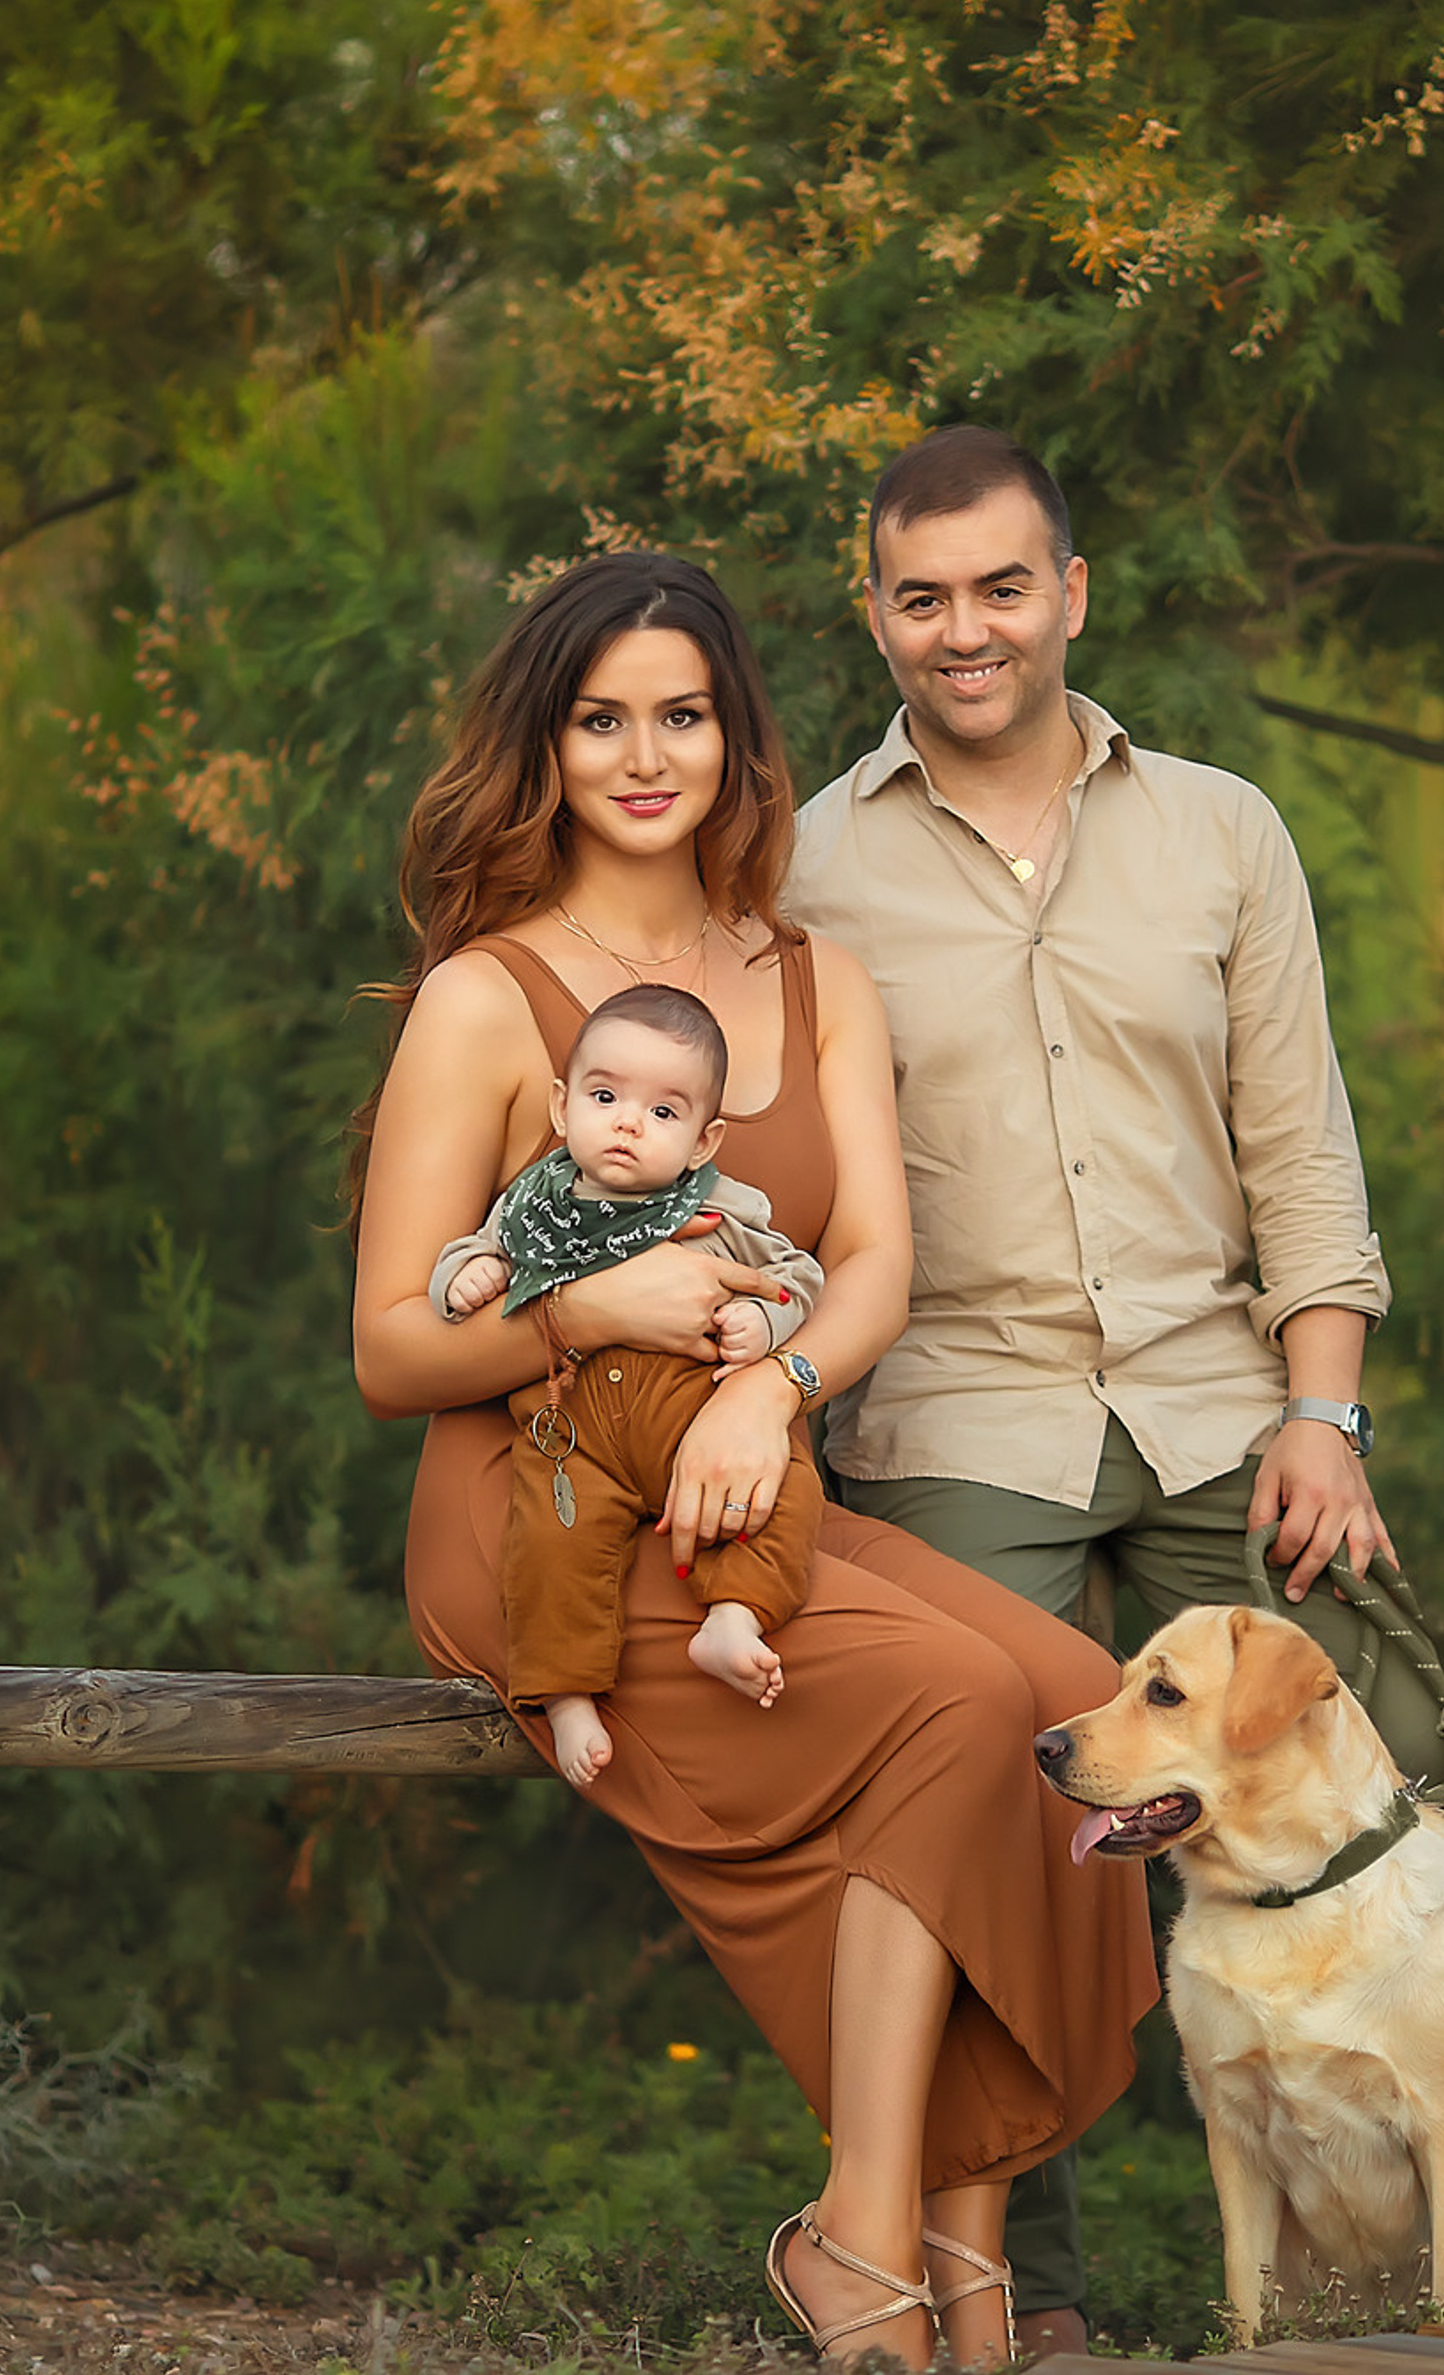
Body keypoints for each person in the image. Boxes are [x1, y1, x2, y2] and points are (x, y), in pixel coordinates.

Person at [350, 549, 1157, 2371]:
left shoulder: (812, 978)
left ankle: (963, 2257)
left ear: (737, 735)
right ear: (546, 747)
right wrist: (605, 1315)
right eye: (603, 718)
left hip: (737, 1490)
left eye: (685, 714)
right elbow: (393, 1348)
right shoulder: (489, 1000)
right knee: (957, 1702)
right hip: (538, 1511)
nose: (649, 755)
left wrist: (763, 1385)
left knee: (1068, 1696)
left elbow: (872, 1262)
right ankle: (862, 2248)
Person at [786, 424, 1444, 2354]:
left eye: (1005, 586)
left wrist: (1323, 1418)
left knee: (1370, 1777)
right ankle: (1033, 2298)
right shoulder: (805, 859)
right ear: (877, 613)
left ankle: (1399, 2284)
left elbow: (1300, 1151)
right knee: (994, 1815)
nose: (966, 629)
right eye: (924, 596)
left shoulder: (1223, 830)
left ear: (1071, 592)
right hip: (951, 1412)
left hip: (1215, 1397)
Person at [431, 982, 827, 1783]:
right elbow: (457, 1261)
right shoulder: (531, 1211)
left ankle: (732, 1618)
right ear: (561, 1104)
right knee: (546, 1544)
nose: (626, 1123)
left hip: (694, 1419)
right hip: (574, 1429)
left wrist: (768, 1324)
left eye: (664, 1112)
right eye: (605, 1096)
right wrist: (470, 1274)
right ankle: (567, 1693)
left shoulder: (725, 1208)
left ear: (704, 1140)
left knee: (778, 1494)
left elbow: (797, 1277)